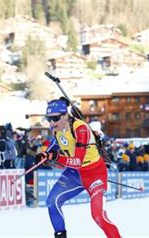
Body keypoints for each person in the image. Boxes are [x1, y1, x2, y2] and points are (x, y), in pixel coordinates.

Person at [37, 98, 121, 238]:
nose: (51, 123)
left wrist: (56, 157)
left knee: (98, 216)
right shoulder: (56, 128)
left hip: (94, 174)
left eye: (55, 118)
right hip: (74, 174)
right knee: (52, 202)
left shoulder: (80, 128)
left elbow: (77, 161)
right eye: (48, 118)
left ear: (65, 115)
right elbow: (57, 144)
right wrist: (45, 155)